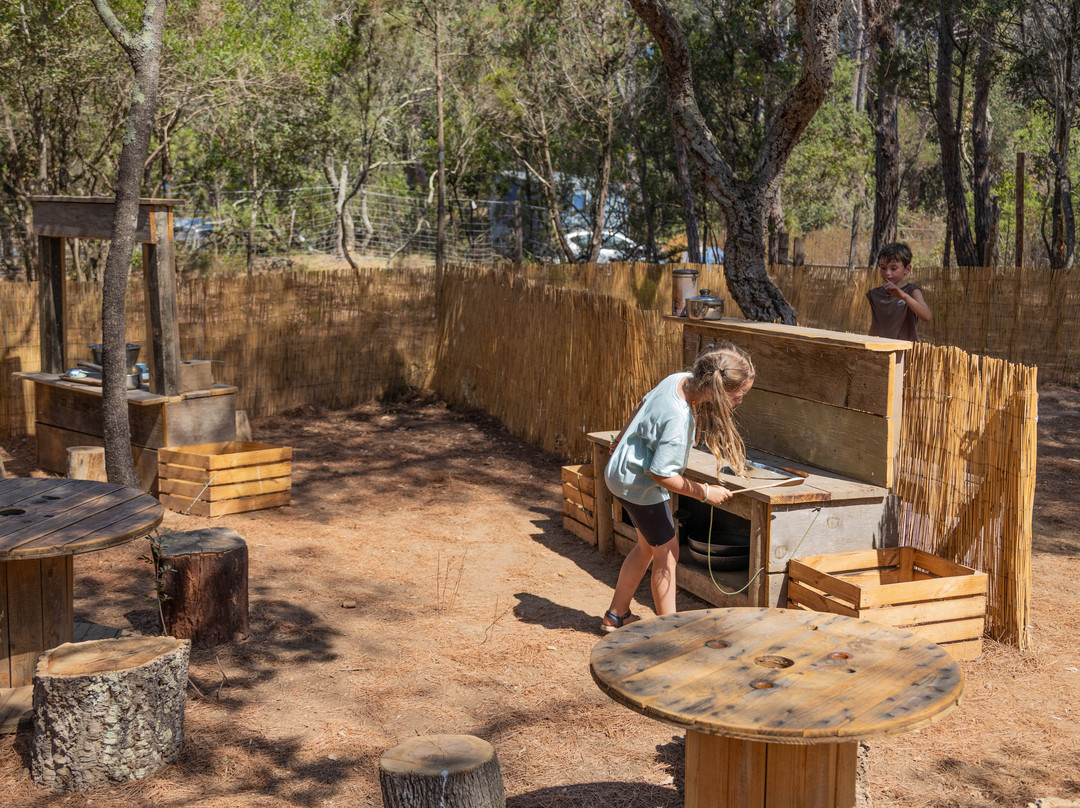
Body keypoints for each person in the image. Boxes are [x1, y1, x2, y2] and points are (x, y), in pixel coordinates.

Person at [600, 343, 755, 633]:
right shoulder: (679, 418)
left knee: (648, 546)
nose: (739, 402)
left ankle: (616, 615)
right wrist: (706, 493)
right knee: (668, 554)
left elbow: (641, 405)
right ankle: (669, 631)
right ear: (717, 390)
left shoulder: (678, 379)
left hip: (621, 473)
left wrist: (620, 438)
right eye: (739, 396)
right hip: (639, 486)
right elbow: (661, 475)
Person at [866, 242, 932, 341]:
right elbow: (875, 325)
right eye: (883, 268)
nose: (887, 273)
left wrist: (903, 296)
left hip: (907, 352)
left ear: (907, 269)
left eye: (893, 268)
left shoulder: (912, 291)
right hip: (883, 349)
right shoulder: (875, 294)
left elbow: (926, 316)